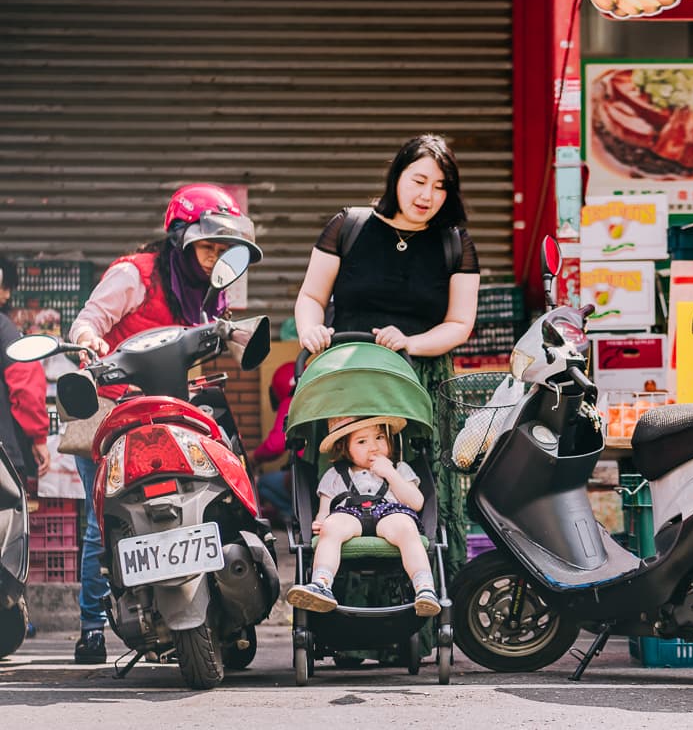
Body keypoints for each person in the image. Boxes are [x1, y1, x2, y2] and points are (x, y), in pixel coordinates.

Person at [65, 183, 262, 664]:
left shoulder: (211, 293)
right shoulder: (137, 274)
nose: (215, 257)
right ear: (181, 239)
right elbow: (86, 322)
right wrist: (91, 343)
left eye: (224, 249)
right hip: (114, 408)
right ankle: (93, 625)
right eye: (208, 246)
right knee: (105, 520)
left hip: (173, 409)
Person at [294, 134, 481, 579]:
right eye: (418, 181)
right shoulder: (349, 226)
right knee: (344, 488)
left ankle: (426, 602)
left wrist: (411, 342)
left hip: (420, 380)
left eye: (440, 187)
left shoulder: (455, 243)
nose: (427, 196)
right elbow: (310, 296)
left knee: (418, 483)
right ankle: (335, 609)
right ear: (397, 176)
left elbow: (459, 324)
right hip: (348, 376)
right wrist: (310, 331)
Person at [286, 415, 441, 616]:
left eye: (379, 437)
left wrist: (390, 474)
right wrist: (321, 521)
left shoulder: (399, 468)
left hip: (390, 512)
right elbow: (325, 509)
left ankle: (424, 588)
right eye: (362, 441)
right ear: (345, 447)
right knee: (332, 527)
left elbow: (417, 502)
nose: (374, 447)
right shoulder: (335, 475)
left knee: (406, 527)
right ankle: (321, 583)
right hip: (350, 514)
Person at [0, 256, 51, 482]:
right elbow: (26, 385)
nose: (7, 295)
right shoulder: (4, 329)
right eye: (4, 287)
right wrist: (38, 437)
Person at [253, 361, 296, 524]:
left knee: (261, 483)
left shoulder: (291, 403)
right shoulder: (323, 401)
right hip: (329, 475)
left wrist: (254, 457)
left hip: (304, 478)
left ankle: (292, 513)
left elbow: (275, 445)